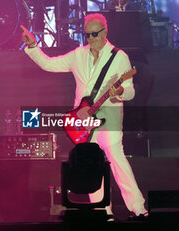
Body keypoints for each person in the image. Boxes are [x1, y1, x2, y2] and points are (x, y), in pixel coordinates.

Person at [21, 13, 147, 218]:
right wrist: (33, 46)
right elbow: (49, 64)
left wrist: (120, 92)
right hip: (83, 118)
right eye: (87, 35)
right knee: (91, 163)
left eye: (95, 34)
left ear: (105, 32)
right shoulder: (78, 55)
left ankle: (138, 208)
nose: (90, 39)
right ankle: (102, 212)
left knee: (116, 156)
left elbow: (130, 90)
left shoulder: (119, 57)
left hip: (110, 115)